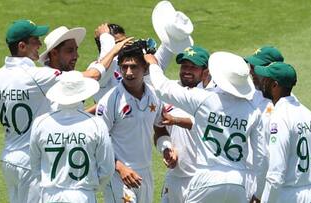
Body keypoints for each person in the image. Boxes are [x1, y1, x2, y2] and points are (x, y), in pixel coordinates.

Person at [0, 19, 129, 203]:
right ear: (22, 46)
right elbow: (92, 76)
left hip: (8, 161)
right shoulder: (37, 76)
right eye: (35, 41)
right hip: (32, 164)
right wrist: (113, 49)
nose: (40, 44)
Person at [145, 51, 268, 203]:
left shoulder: (204, 99)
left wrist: (153, 64)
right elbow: (262, 157)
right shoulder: (253, 110)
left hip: (207, 177)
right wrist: (258, 194)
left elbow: (162, 88)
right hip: (239, 181)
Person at [96, 41, 166, 203]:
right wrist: (120, 168)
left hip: (145, 174)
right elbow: (98, 142)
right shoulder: (109, 101)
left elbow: (160, 128)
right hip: (118, 175)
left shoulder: (155, 96)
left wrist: (167, 148)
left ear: (145, 68)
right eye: (124, 67)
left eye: (134, 67)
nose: (128, 72)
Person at [30, 71, 114, 202]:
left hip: (49, 195)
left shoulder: (40, 123)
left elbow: (35, 166)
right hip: (82, 195)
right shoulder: (96, 124)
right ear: (83, 93)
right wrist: (92, 188)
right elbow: (107, 168)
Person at [253, 62, 311, 203]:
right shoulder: (308, 113)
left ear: (274, 85)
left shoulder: (279, 117)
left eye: (265, 79)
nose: (261, 82)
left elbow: (276, 173)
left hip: (290, 196)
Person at [157, 46, 211, 203]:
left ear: (205, 71)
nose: (187, 70)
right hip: (174, 178)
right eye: (184, 66)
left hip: (202, 179)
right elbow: (159, 128)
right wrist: (165, 147)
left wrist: (176, 120)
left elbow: (202, 124)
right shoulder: (168, 92)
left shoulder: (212, 98)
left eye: (193, 67)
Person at [244, 45, 284, 201]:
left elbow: (265, 155)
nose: (251, 72)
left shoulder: (280, 107)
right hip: (248, 178)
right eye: (251, 66)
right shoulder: (251, 94)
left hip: (268, 185)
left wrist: (259, 193)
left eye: (255, 68)